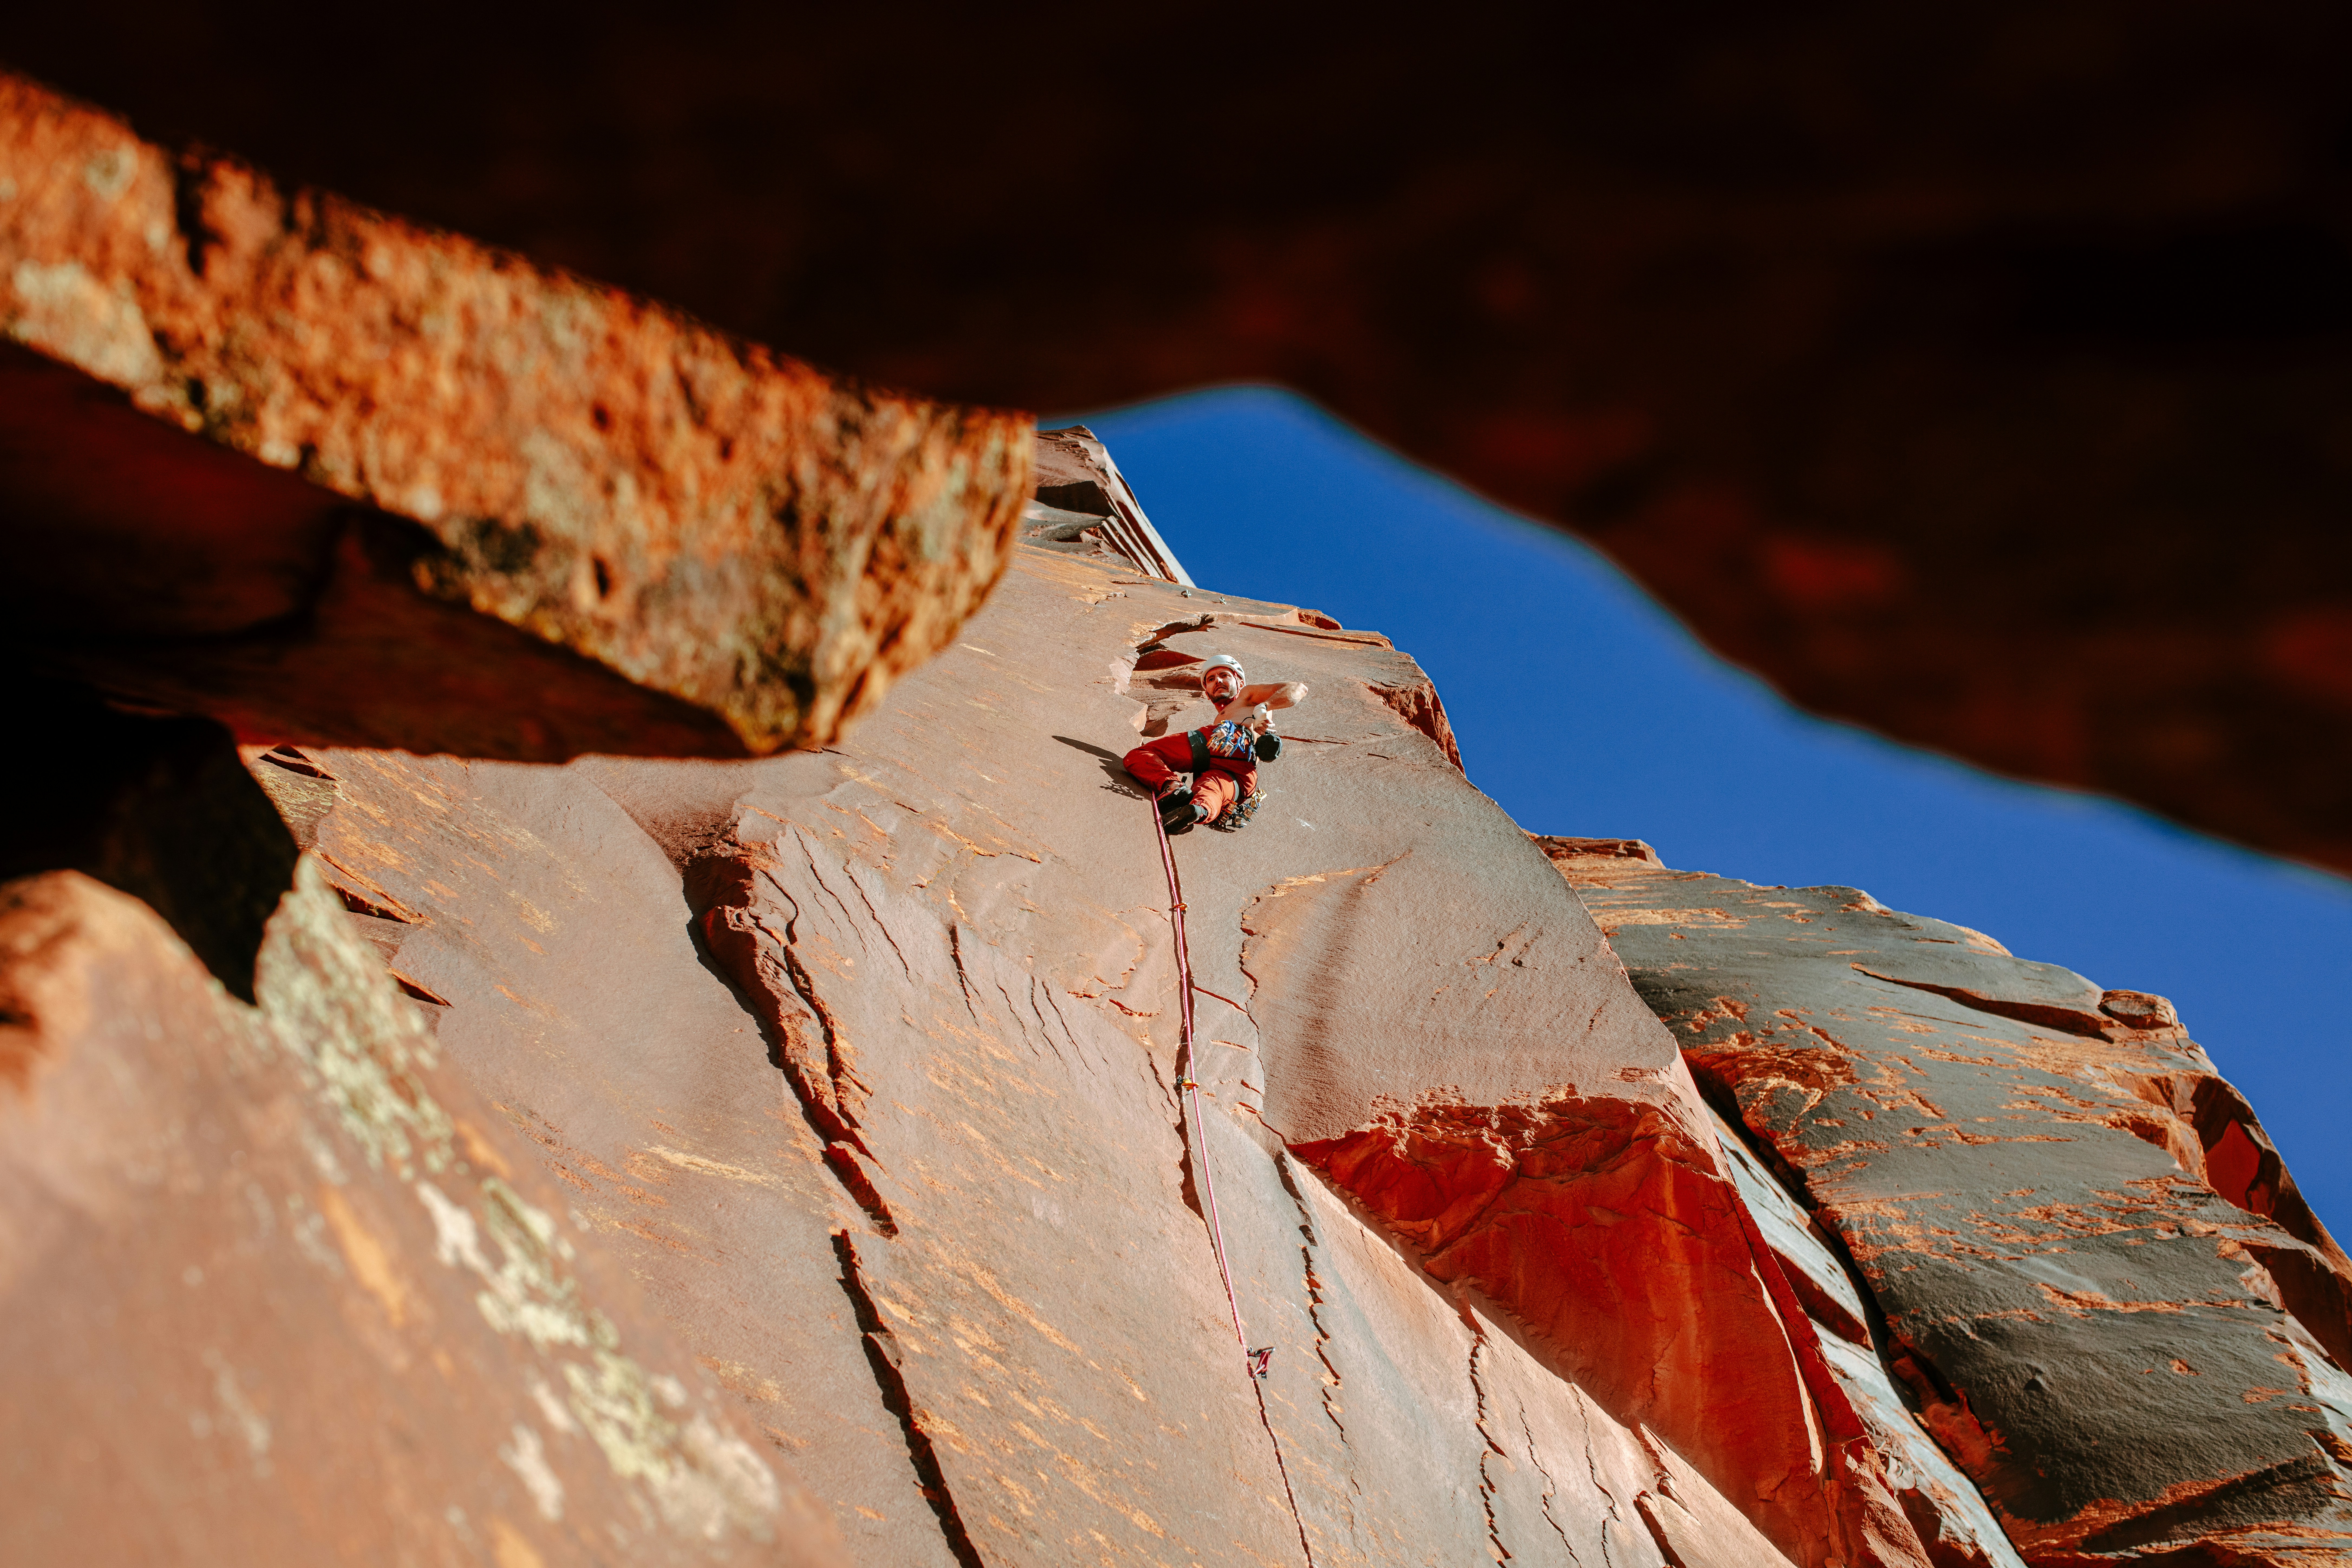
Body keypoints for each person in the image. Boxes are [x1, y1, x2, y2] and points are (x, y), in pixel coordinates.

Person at [1123, 654, 1309, 832]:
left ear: (1241, 683)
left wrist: (1265, 706)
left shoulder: (1249, 696)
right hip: (1244, 776)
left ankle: (1173, 787)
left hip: (1227, 739)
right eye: (1211, 679)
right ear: (1207, 694)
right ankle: (1197, 811)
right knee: (1211, 790)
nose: (1218, 681)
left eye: (1225, 675)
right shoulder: (1225, 713)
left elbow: (1299, 688)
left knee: (1139, 756)